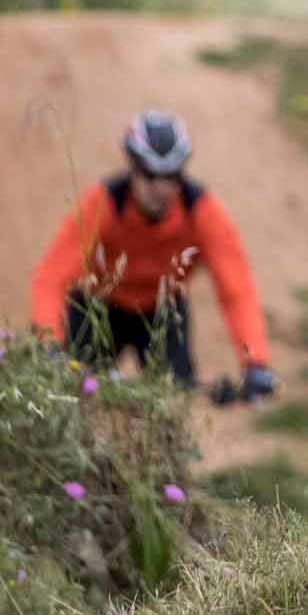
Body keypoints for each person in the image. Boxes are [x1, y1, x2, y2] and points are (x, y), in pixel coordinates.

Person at [30, 111, 276, 401]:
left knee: (174, 406)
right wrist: (49, 345)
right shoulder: (104, 201)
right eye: (149, 175)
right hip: (99, 306)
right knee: (67, 398)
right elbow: (50, 278)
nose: (160, 188)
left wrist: (255, 362)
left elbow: (236, 289)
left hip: (163, 311)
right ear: (132, 168)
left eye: (171, 176)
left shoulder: (202, 211)